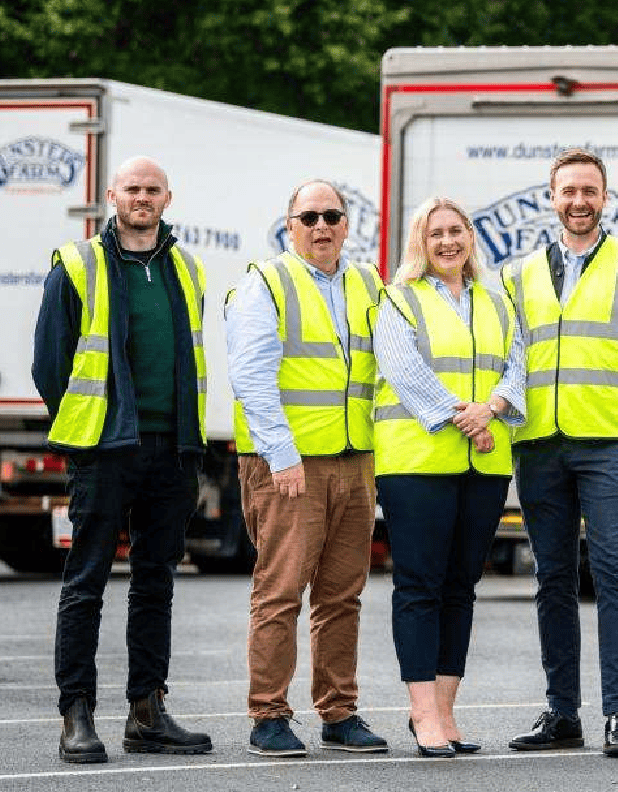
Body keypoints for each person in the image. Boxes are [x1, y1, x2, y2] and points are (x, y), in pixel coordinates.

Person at [32, 156, 213, 763]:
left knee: (156, 583)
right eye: (132, 189)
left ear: (168, 197)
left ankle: (147, 711)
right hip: (105, 452)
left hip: (173, 449)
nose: (142, 198)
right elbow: (50, 366)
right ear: (112, 195)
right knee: (85, 583)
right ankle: (76, 714)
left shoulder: (186, 267)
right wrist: (94, 425)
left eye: (152, 190)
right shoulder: (77, 264)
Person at [502, 148, 618, 759]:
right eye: (567, 191)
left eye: (589, 192)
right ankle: (563, 712)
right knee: (552, 581)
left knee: (616, 578)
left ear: (606, 198)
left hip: (606, 446)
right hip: (540, 445)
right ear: (552, 198)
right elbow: (508, 355)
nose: (578, 202)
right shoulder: (518, 274)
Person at [225, 180, 388, 757]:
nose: (322, 226)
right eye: (310, 216)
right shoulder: (265, 282)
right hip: (290, 466)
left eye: (333, 216)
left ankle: (339, 712)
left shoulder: (368, 281)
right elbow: (251, 375)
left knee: (343, 596)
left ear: (348, 224)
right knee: (281, 593)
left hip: (355, 462)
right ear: (288, 224)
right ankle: (268, 715)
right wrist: (282, 455)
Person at [372, 197, 525, 758]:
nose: (447, 242)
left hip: (482, 465)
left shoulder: (497, 298)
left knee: (462, 586)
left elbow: (519, 361)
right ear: (420, 242)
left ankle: (446, 710)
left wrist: (496, 406)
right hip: (418, 464)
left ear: (470, 238)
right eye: (435, 233)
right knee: (420, 587)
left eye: (455, 231)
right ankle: (422, 713)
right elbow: (403, 371)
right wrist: (467, 418)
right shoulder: (398, 299)